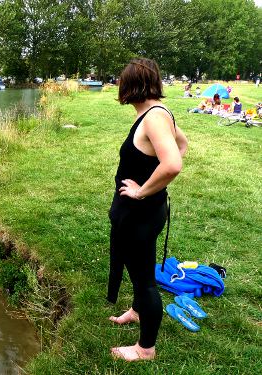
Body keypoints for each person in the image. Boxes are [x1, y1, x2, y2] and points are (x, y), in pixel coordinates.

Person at [107, 57, 188, 361]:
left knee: (144, 280)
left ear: (130, 86)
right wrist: (155, 182)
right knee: (139, 267)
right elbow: (182, 143)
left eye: (121, 81)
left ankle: (145, 349)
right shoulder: (159, 113)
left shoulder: (153, 118)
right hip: (148, 211)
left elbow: (173, 162)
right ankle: (137, 311)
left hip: (140, 213)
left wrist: (142, 191)